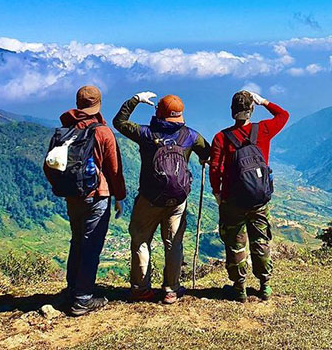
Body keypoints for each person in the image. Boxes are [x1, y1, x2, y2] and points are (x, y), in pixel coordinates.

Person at [113, 91, 209, 304]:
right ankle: (171, 290)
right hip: (178, 200)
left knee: (140, 241)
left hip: (149, 198)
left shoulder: (146, 133)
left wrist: (135, 100)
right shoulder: (190, 136)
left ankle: (141, 290)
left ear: (159, 112)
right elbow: (207, 152)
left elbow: (119, 122)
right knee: (173, 243)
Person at [44, 85, 126, 317]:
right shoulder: (102, 132)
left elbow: (48, 165)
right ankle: (83, 300)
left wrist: (61, 186)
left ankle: (73, 289)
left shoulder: (65, 130)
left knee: (77, 241)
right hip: (96, 196)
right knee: (91, 246)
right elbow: (114, 170)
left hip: (73, 197)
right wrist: (119, 196)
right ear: (98, 105)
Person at [210, 90, 289, 302]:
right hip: (259, 199)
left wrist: (217, 193)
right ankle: (265, 286)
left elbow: (215, 168)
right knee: (261, 241)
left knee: (236, 243)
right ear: (251, 109)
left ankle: (240, 287)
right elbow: (283, 115)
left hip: (232, 201)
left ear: (232, 112)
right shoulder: (262, 130)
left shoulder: (220, 137)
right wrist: (263, 101)